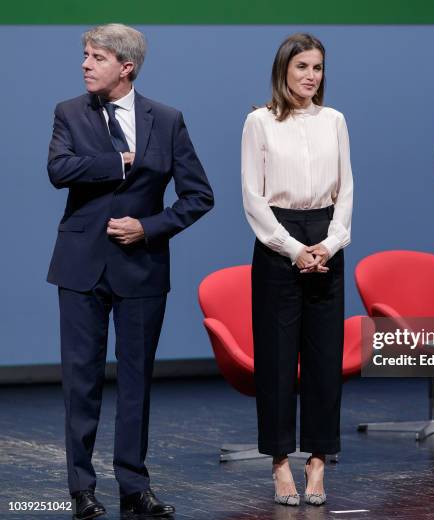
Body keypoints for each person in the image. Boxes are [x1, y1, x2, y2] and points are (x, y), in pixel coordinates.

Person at [47, 23, 214, 519]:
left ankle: (133, 488)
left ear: (126, 67)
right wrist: (116, 162)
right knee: (81, 380)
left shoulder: (166, 119)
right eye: (84, 54)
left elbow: (199, 196)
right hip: (80, 266)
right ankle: (81, 489)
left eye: (95, 57)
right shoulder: (69, 113)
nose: (84, 64)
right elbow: (59, 170)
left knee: (137, 380)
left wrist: (149, 226)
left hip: (141, 267)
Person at [241, 33, 353, 506]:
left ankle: (319, 462)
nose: (311, 76)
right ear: (284, 70)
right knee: (278, 361)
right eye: (303, 66)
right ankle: (281, 462)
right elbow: (252, 196)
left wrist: (329, 243)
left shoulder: (334, 120)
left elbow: (346, 190)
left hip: (326, 240)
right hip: (278, 245)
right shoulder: (259, 122)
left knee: (326, 361)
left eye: (318, 67)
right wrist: (293, 249)